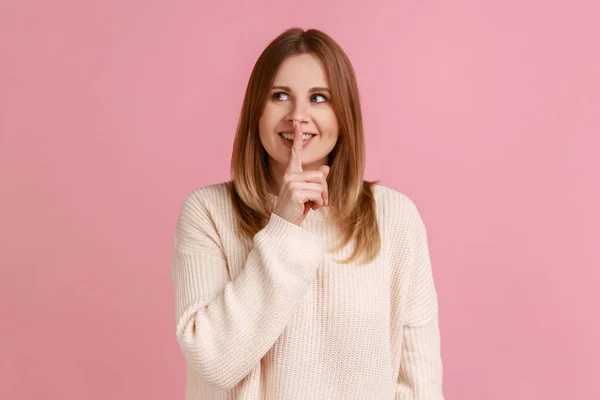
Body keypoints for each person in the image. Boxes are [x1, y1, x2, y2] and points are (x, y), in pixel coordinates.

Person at [171, 27, 444, 400]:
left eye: (319, 98)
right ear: (256, 110)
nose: (297, 117)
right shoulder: (208, 213)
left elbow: (418, 385)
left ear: (344, 114)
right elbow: (216, 360)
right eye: (279, 96)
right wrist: (283, 228)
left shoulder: (394, 218)